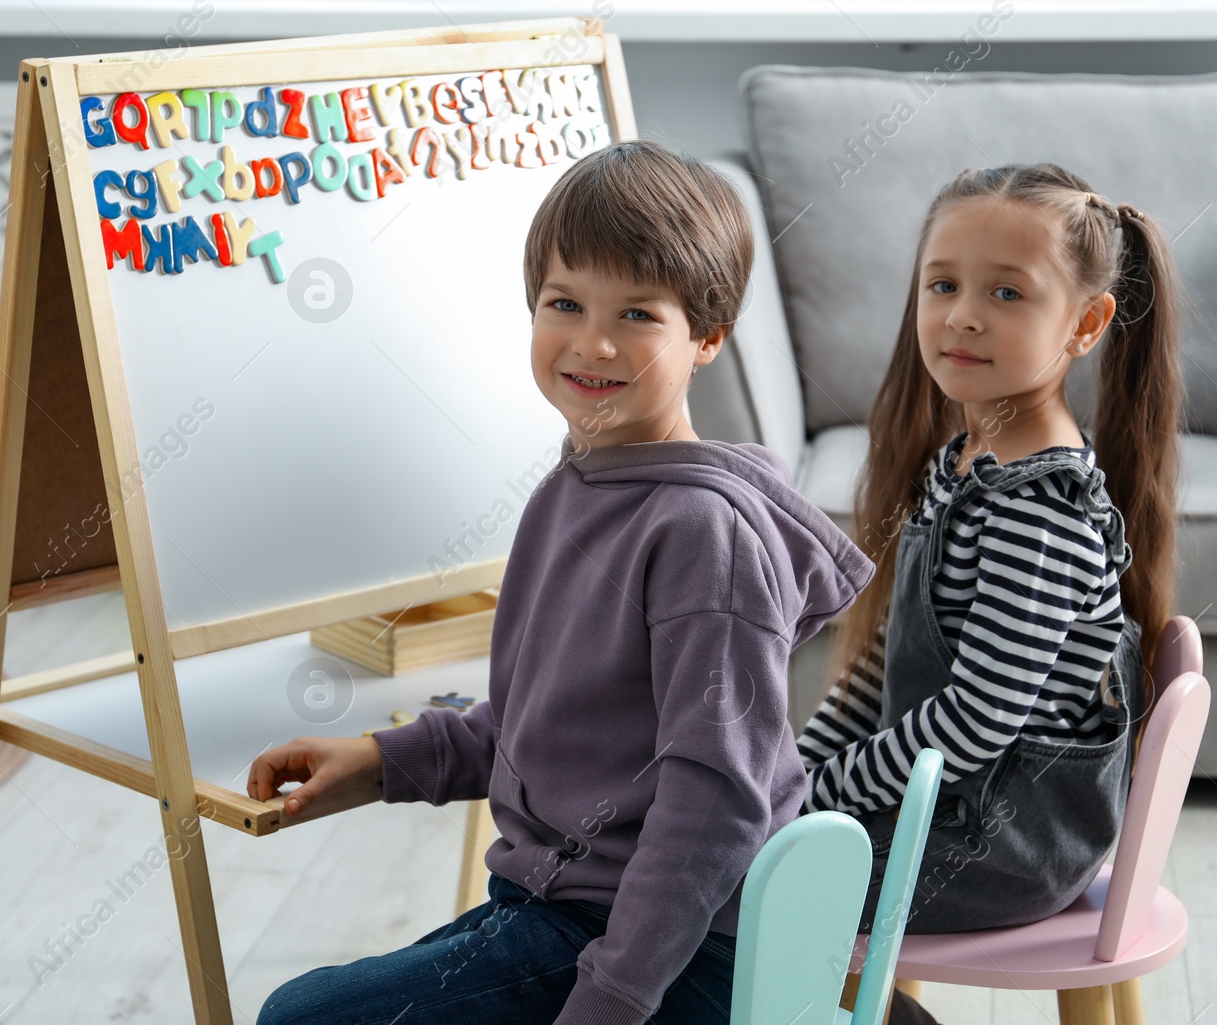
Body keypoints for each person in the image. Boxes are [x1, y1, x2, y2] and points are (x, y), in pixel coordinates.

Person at [248, 140, 877, 1024]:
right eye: (565, 303)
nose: (594, 342)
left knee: (303, 1017)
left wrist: (612, 997)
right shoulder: (575, 486)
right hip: (564, 909)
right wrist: (384, 762)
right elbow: (549, 719)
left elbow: (716, 806)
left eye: (638, 314)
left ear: (708, 336)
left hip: (678, 949)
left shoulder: (703, 535)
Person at [796, 163, 1183, 942]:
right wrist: (799, 768)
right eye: (943, 286)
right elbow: (884, 665)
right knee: (719, 836)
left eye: (1007, 293)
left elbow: (973, 720)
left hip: (995, 843)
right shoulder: (969, 467)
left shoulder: (1037, 515)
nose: (963, 316)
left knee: (734, 875)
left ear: (1084, 324)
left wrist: (818, 796)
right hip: (944, 807)